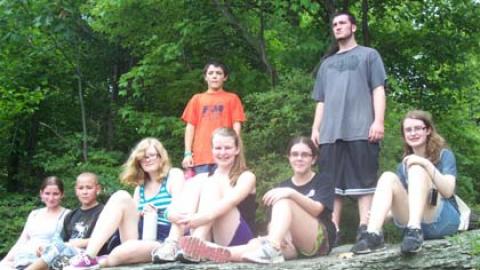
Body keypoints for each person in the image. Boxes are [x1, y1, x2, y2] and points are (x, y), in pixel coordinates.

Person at [175, 137, 336, 264]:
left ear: (313, 159)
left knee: (284, 201)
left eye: (305, 155)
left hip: (319, 241)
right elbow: (277, 221)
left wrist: (291, 193)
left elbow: (317, 209)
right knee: (256, 245)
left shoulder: (322, 180)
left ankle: (271, 247)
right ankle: (217, 251)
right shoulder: (283, 185)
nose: (299, 158)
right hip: (291, 245)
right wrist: (275, 238)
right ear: (289, 157)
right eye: (295, 154)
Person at [310, 10, 387, 242]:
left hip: (361, 129)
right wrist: (316, 128)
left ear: (353, 27)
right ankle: (332, 231)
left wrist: (379, 121)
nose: (338, 27)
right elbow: (321, 100)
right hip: (330, 133)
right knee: (331, 185)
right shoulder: (326, 64)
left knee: (364, 181)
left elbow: (378, 89)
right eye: (334, 24)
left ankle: (366, 228)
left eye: (342, 23)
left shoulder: (369, 55)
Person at [351, 110, 460, 255]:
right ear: (404, 135)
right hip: (414, 225)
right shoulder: (402, 166)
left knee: (416, 168)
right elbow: (403, 202)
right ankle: (373, 235)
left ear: (427, 130)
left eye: (418, 128)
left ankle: (414, 230)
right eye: (408, 130)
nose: (413, 133)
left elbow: (448, 191)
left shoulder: (444, 155)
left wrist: (425, 164)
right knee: (387, 177)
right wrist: (382, 214)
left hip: (443, 220)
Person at [66, 138, 185, 269]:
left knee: (120, 252)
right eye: (142, 157)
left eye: (151, 155)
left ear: (161, 157)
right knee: (121, 196)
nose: (147, 160)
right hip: (141, 235)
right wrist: (142, 212)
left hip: (164, 239)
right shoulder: (140, 188)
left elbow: (180, 210)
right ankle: (88, 256)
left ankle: (101, 261)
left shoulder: (174, 175)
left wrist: (158, 212)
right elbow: (133, 218)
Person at [151, 127, 256, 263]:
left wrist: (193, 219)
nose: (223, 152)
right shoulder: (203, 177)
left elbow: (224, 206)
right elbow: (176, 204)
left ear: (237, 150)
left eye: (228, 148)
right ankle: (172, 242)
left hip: (236, 237)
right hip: (208, 236)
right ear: (212, 150)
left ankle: (195, 243)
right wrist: (170, 214)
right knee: (199, 180)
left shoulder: (246, 177)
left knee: (210, 183)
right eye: (218, 148)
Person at [25, 172, 105, 270]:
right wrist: (46, 248)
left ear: (98, 189)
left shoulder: (104, 212)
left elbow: (106, 239)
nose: (84, 192)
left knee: (58, 249)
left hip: (90, 255)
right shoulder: (71, 215)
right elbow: (61, 240)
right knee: (53, 251)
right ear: (76, 191)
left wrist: (78, 243)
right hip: (69, 255)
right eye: (81, 188)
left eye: (89, 188)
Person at [181, 61, 246, 175]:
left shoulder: (232, 98)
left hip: (225, 155)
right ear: (206, 77)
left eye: (218, 73)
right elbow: (190, 127)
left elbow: (237, 126)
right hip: (201, 157)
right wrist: (187, 153)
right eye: (210, 73)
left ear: (224, 77)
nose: (214, 76)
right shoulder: (197, 99)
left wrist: (235, 151)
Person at [0, 176, 69, 269]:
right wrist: (6, 260)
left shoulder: (67, 215)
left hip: (44, 261)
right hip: (22, 257)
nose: (51, 198)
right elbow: (22, 240)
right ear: (41, 194)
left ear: (62, 194)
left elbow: (67, 244)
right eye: (47, 193)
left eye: (55, 194)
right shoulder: (34, 214)